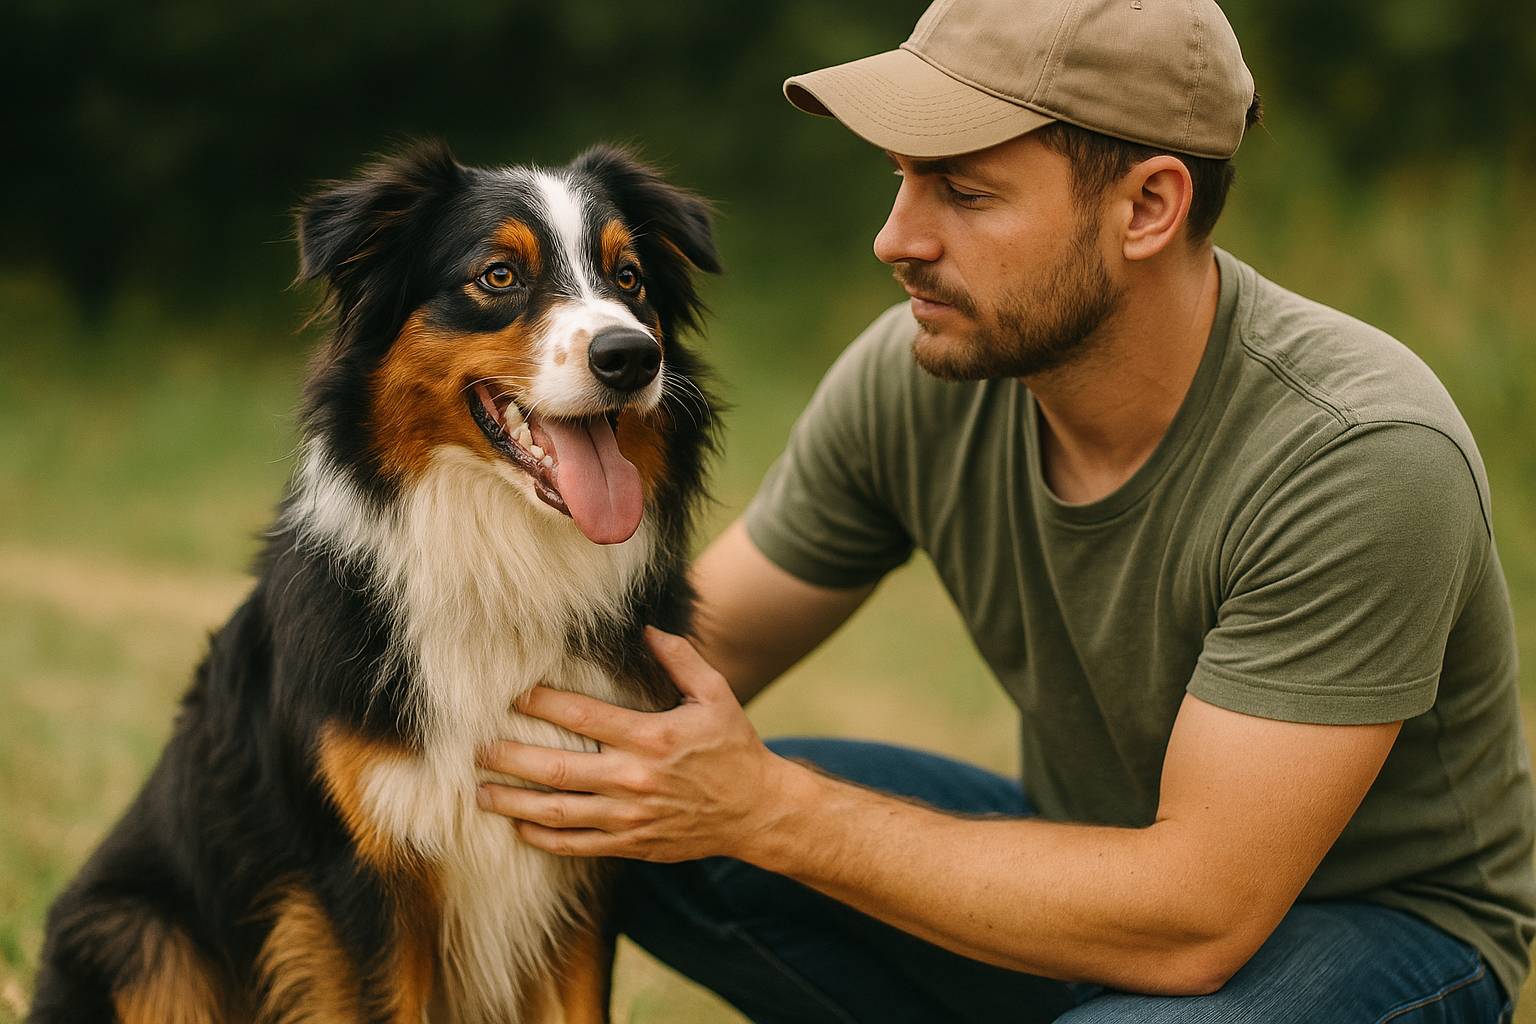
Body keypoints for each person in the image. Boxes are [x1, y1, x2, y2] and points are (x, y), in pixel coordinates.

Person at [473, 0, 1536, 1019]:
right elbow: (657, 672)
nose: (896, 239)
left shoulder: (1356, 452)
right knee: (648, 820)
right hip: (1097, 857)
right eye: (899, 180)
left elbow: (1197, 919)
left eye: (963, 194)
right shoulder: (918, 375)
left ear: (1150, 207)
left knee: (736, 816)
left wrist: (772, 811)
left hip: (1374, 931)